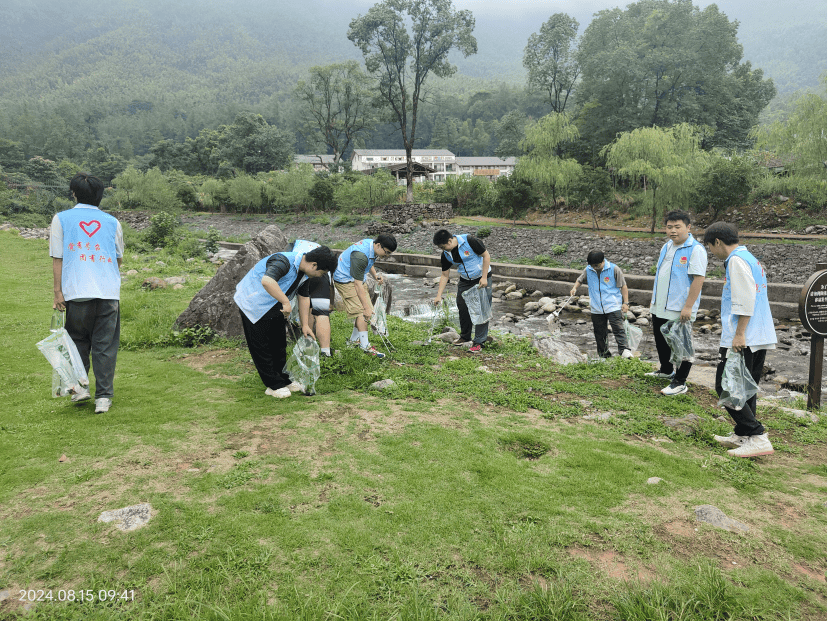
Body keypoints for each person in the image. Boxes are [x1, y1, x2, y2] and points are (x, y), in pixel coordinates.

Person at [49, 172, 124, 414]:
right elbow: (118, 258)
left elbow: (58, 258)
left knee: (78, 340)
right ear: (100, 196)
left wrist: (57, 292)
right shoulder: (112, 222)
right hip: (108, 292)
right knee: (104, 345)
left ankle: (80, 389)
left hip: (76, 291)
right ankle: (103, 398)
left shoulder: (61, 219)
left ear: (74, 193)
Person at [704, 222, 776, 457]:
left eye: (710, 247)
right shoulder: (749, 258)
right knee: (745, 388)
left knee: (726, 386)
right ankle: (744, 434)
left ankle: (756, 435)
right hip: (760, 333)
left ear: (717, 242)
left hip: (745, 336)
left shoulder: (735, 260)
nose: (711, 253)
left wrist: (739, 333)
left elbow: (746, 299)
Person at [234, 245, 337, 398]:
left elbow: (303, 297)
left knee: (279, 343)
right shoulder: (283, 261)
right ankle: (273, 385)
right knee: (261, 346)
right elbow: (267, 281)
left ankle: (284, 379)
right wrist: (286, 302)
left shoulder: (305, 273)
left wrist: (305, 325)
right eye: (321, 272)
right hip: (253, 303)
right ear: (314, 265)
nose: (318, 276)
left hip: (273, 303)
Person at [646, 210, 707, 395]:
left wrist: (688, 306)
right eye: (669, 227)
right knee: (661, 340)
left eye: (677, 227)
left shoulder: (695, 249)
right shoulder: (666, 246)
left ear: (688, 227)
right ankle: (666, 371)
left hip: (679, 307)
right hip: (660, 305)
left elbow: (698, 279)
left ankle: (680, 382)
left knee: (682, 344)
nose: (673, 231)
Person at [332, 234, 396, 358]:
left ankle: (353, 341)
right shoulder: (360, 255)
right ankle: (365, 346)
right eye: (386, 252)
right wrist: (365, 307)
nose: (386, 256)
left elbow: (369, 262)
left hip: (356, 278)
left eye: (389, 254)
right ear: (378, 245)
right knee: (362, 312)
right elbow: (357, 284)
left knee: (367, 311)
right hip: (345, 279)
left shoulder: (371, 245)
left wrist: (375, 275)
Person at [431, 229, 492, 353]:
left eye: (443, 247)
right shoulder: (446, 254)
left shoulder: (470, 241)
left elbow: (486, 255)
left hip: (481, 277)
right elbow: (444, 275)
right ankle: (465, 336)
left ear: (450, 240)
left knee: (481, 309)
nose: (443, 250)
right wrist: (438, 296)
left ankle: (479, 342)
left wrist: (484, 277)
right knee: (462, 306)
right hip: (465, 280)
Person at [570, 250, 632, 359]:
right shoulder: (589, 269)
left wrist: (625, 303)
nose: (594, 268)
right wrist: (574, 288)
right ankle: (604, 356)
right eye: (592, 266)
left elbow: (623, 286)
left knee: (618, 329)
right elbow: (580, 279)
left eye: (596, 265)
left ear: (603, 261)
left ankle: (625, 352)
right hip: (596, 308)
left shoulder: (614, 269)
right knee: (599, 333)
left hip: (613, 305)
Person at [289, 240, 335, 358]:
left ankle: (307, 348)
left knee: (306, 307)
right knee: (322, 313)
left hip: (305, 270)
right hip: (322, 274)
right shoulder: (323, 252)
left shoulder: (293, 247)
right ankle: (326, 352)